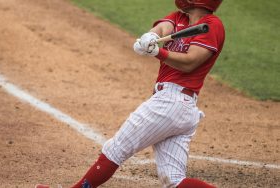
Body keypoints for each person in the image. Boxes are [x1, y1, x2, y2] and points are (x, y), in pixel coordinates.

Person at [36, 0, 225, 187]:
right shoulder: (179, 18)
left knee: (115, 149)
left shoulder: (211, 26)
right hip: (177, 107)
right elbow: (162, 29)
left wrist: (157, 52)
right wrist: (149, 37)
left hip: (171, 103)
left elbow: (190, 62)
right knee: (174, 180)